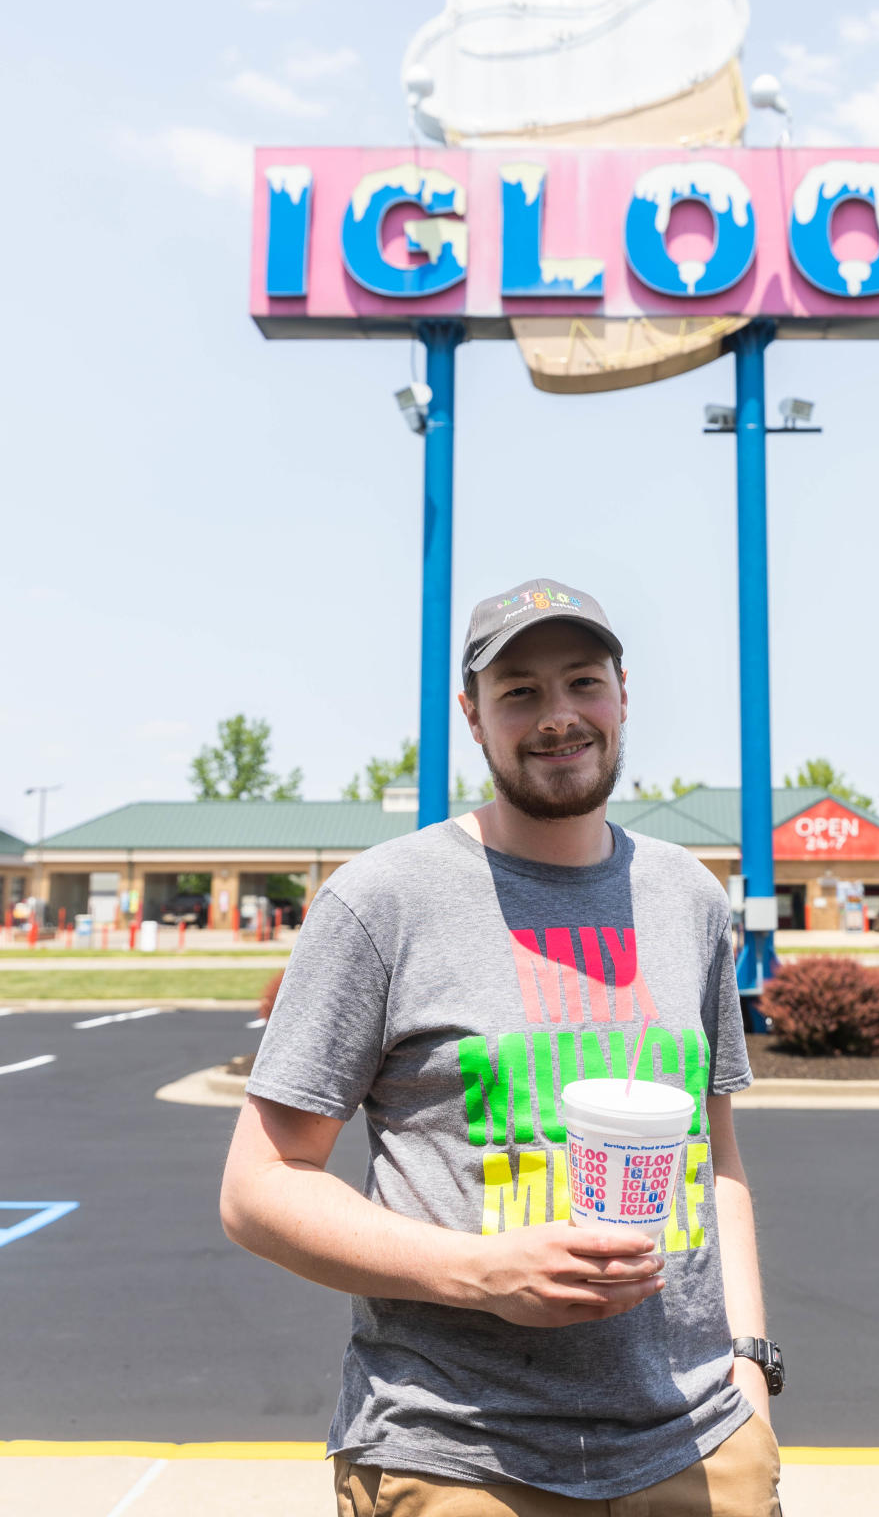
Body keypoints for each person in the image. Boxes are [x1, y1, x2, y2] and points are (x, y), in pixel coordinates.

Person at [220, 576, 783, 1515]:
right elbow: (258, 1189)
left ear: (622, 695)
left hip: (701, 1444)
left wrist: (752, 1366)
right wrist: (481, 1275)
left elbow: (716, 1161)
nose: (558, 716)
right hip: (458, 1459)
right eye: (519, 691)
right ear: (474, 718)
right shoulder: (382, 902)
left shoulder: (689, 898)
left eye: (582, 683)